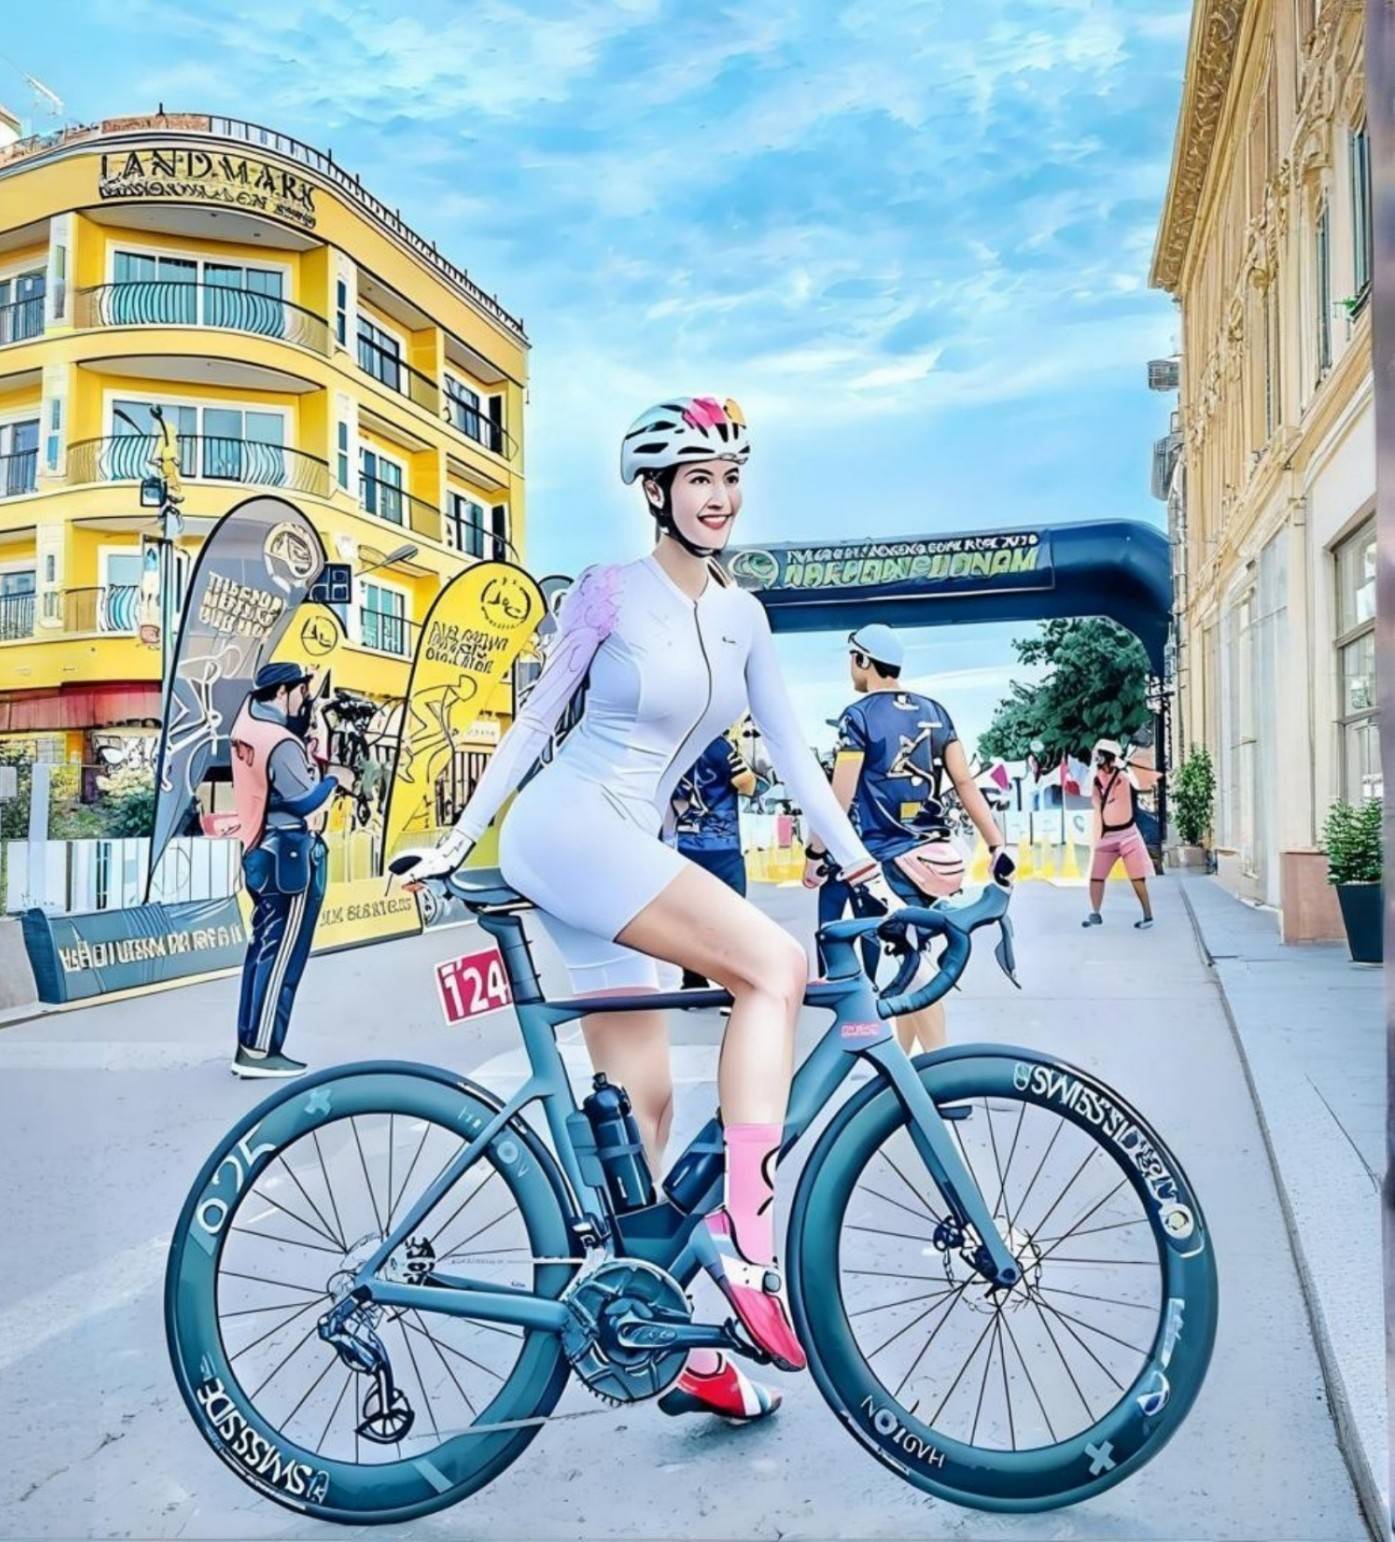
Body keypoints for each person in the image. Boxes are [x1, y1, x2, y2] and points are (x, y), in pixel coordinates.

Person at [396, 396, 891, 1423]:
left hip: (628, 846)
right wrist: (455, 841)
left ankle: (661, 1337)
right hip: (569, 829)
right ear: (656, 493)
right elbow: (535, 722)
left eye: (730, 478)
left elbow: (791, 753)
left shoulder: (743, 615)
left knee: (648, 1105)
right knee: (771, 967)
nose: (719, 497)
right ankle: (747, 1245)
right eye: (698, 479)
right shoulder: (609, 593)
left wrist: (864, 865)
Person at [805, 622, 1012, 1056]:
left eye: (851, 658)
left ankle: (939, 1075)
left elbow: (838, 797)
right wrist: (997, 845)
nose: (850, 667)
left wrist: (815, 852)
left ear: (863, 660)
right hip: (934, 860)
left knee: (915, 967)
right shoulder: (936, 712)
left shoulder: (857, 717)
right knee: (910, 958)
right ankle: (905, 1067)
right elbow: (964, 783)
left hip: (887, 863)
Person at [229, 662, 354, 1078]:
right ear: (284, 692)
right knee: (282, 958)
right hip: (288, 854)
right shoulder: (279, 742)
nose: (305, 699)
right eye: (301, 691)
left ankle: (250, 1043)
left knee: (263, 952)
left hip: (259, 849)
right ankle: (261, 1052)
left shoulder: (248, 728)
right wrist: (335, 779)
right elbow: (303, 801)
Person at [672, 728, 762, 997]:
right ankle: (731, 985)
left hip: (684, 845)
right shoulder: (719, 745)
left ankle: (692, 981)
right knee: (731, 920)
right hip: (723, 845)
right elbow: (746, 783)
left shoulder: (674, 743)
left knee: (689, 918)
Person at [1083, 737, 1155, 929]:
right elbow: (1085, 791)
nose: (1097, 758)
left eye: (1100, 755)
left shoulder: (1123, 775)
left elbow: (1138, 784)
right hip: (1107, 837)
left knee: (1137, 877)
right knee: (1096, 876)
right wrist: (1092, 767)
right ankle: (1095, 913)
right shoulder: (1096, 779)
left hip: (1128, 834)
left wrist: (1123, 765)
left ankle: (1148, 915)